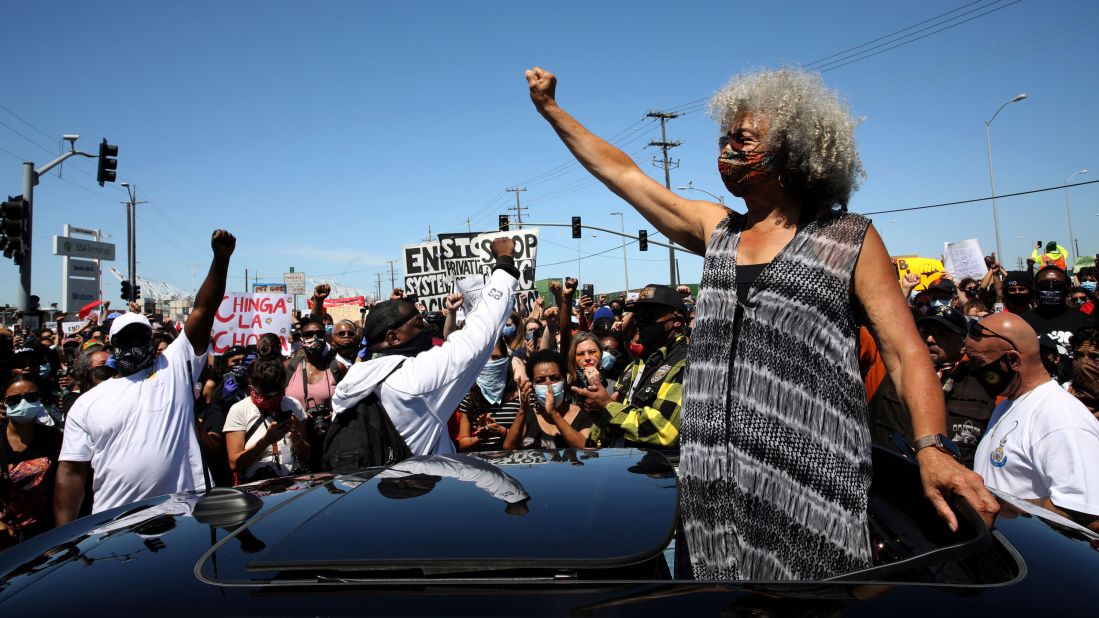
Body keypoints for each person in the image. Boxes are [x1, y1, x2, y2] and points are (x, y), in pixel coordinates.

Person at [526, 66, 995, 580]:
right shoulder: (717, 231)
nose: (726, 149)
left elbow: (905, 353)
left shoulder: (849, 239)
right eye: (725, 137)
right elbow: (625, 175)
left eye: (743, 139)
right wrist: (552, 111)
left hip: (813, 497)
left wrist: (932, 447)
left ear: (795, 151)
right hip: (711, 504)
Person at [54, 230, 236, 523]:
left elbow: (203, 309)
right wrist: (63, 538)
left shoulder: (173, 367)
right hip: (114, 526)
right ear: (113, 347)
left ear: (152, 341)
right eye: (126, 340)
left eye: (141, 337)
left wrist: (220, 260)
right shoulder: (87, 403)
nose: (135, 345)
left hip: (185, 516)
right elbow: (72, 471)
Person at [330, 237, 519, 456]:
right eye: (418, 324)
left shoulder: (354, 380)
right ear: (393, 337)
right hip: (418, 487)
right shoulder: (413, 380)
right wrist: (504, 262)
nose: (426, 329)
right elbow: (481, 332)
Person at [968, 313, 1099, 532]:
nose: (971, 371)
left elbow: (1089, 513)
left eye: (978, 363)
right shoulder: (1008, 403)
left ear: (1013, 360)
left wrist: (1000, 502)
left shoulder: (1060, 418)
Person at [869, 305, 996, 468]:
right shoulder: (888, 368)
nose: (930, 339)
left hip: (949, 487)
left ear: (963, 344)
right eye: (925, 332)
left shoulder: (984, 386)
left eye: (942, 334)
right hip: (882, 480)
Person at [572, 285, 688, 450]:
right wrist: (598, 418)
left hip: (657, 471)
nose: (639, 323)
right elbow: (611, 421)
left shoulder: (684, 363)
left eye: (648, 316)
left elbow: (664, 430)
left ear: (677, 320)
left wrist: (606, 406)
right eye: (638, 316)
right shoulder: (635, 365)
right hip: (620, 467)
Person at [224, 359, 310, 484]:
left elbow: (307, 455)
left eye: (278, 394)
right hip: (256, 488)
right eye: (267, 396)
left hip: (292, 485)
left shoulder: (292, 405)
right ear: (252, 389)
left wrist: (295, 436)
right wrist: (266, 441)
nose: (274, 400)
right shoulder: (239, 410)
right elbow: (234, 464)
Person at [0, 375, 62, 548]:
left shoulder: (53, 439)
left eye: (31, 397)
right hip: (6, 537)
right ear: (4, 403)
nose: (23, 404)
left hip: (48, 534)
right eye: (14, 399)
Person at [503, 350, 592, 450]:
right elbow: (509, 448)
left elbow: (587, 448)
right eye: (540, 380)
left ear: (564, 381)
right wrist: (522, 409)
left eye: (555, 378)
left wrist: (554, 414)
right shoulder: (529, 415)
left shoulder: (582, 415)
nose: (548, 384)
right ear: (532, 385)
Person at [456, 337, 522, 452]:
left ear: (506, 360)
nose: (490, 363)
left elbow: (527, 439)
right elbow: (463, 444)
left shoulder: (521, 396)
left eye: (496, 358)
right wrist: (480, 437)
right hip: (482, 466)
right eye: (484, 359)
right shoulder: (469, 398)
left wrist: (502, 431)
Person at [1021, 266, 1090, 358]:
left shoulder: (1084, 320)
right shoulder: (1022, 322)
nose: (1051, 289)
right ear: (1036, 289)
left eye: (1057, 285)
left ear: (1067, 289)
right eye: (1044, 285)